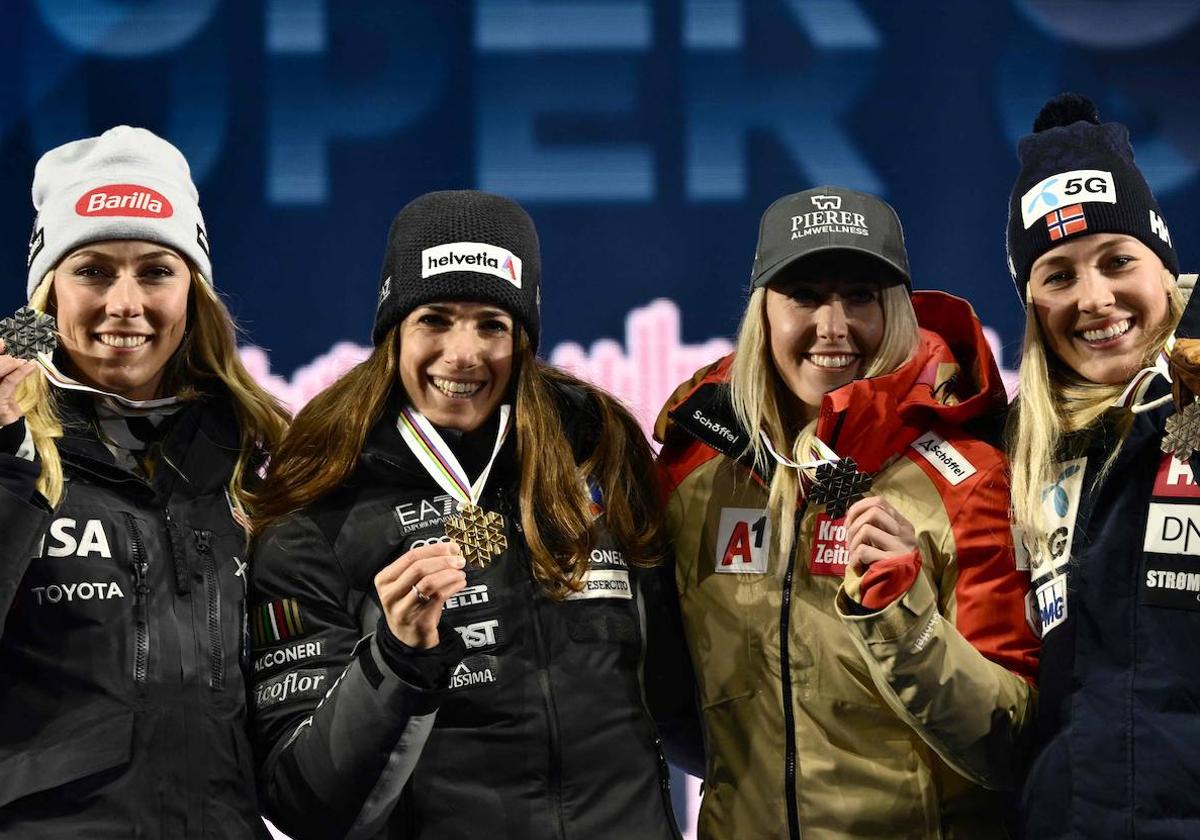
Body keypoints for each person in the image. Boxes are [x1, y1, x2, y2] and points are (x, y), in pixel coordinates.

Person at [250, 190, 687, 839]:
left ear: (524, 336)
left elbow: (685, 699)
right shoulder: (320, 507)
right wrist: (396, 660)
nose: (464, 352)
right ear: (394, 327)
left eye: (491, 323)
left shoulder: (598, 452)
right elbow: (304, 804)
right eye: (435, 319)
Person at [654, 186, 1040, 839]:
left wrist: (905, 620)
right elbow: (676, 708)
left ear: (896, 309)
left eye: (860, 296)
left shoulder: (968, 481)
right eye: (804, 295)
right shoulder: (695, 472)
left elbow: (1010, 745)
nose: (833, 327)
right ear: (764, 312)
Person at [0, 126, 287, 837]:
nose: (124, 302)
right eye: (92, 270)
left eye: (156, 270)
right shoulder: (11, 448)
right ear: (46, 298)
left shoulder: (261, 464)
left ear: (194, 292)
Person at [1005, 93, 1200, 838]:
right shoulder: (1016, 456)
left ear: (1162, 264)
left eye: (1118, 260)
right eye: (1057, 275)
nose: (1094, 299)